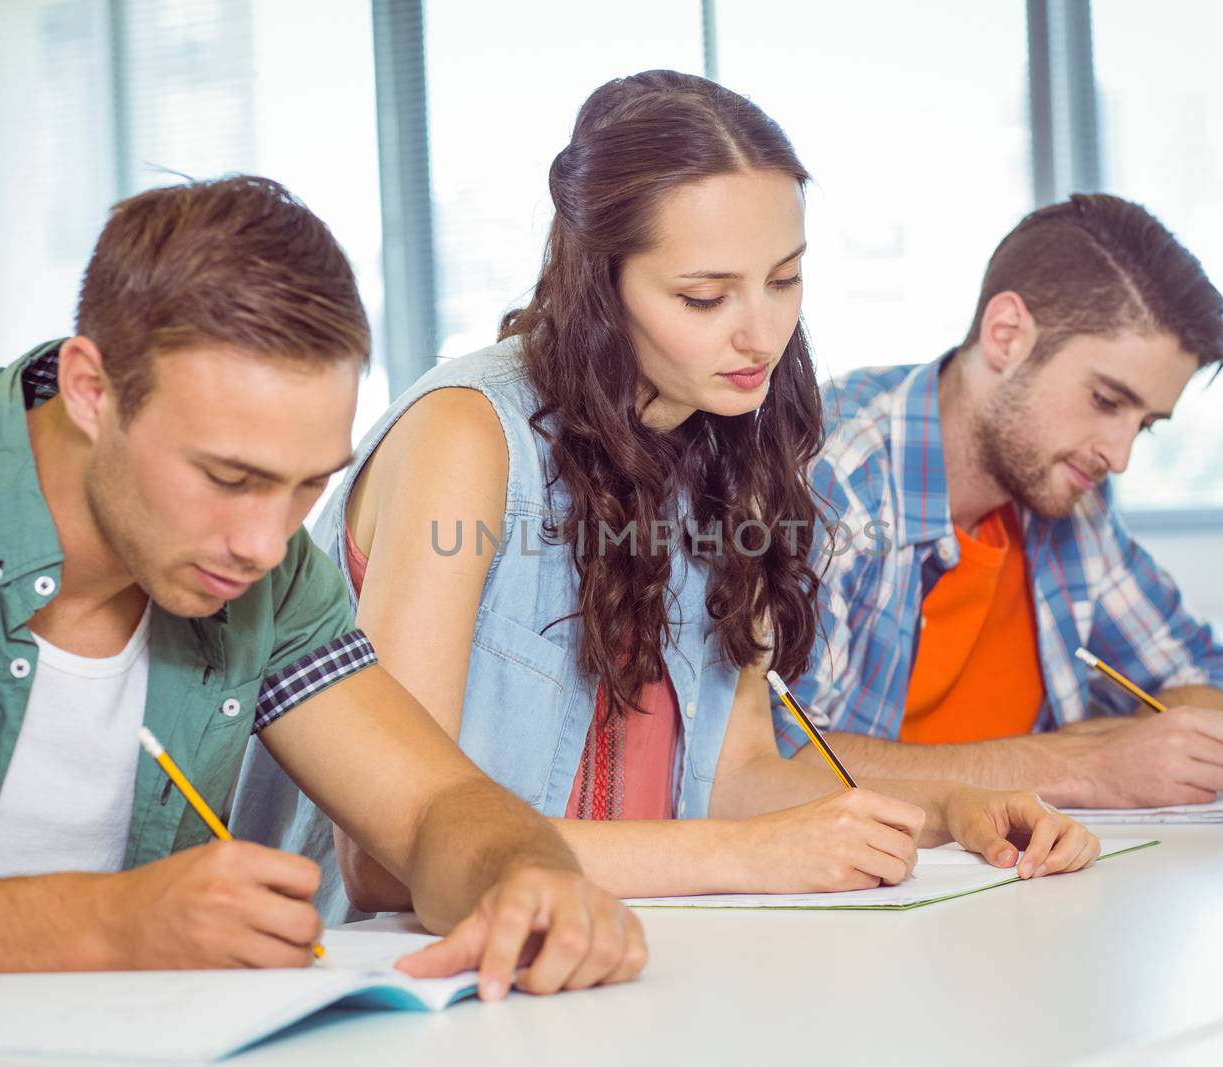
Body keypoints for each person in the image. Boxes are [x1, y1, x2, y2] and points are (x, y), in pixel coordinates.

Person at [234, 72, 1098, 922]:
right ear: (600, 286)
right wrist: (746, 856)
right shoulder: (466, 440)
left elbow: (736, 775)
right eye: (704, 296)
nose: (761, 334)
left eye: (785, 280)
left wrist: (946, 808)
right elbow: (388, 865)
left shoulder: (732, 441)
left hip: (620, 950)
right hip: (401, 981)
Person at [0, 175, 643, 1006]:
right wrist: (112, 927)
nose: (267, 544)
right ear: (91, 389)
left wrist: (528, 878)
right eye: (230, 477)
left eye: (307, 485)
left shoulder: (268, 578)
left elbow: (429, 809)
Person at [787, 193, 1223, 809]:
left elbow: (1218, 681)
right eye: (1105, 400)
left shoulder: (1069, 488)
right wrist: (1081, 763)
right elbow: (771, 766)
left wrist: (1131, 749)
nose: (1119, 455)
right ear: (1007, 335)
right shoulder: (833, 481)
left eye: (1144, 424)